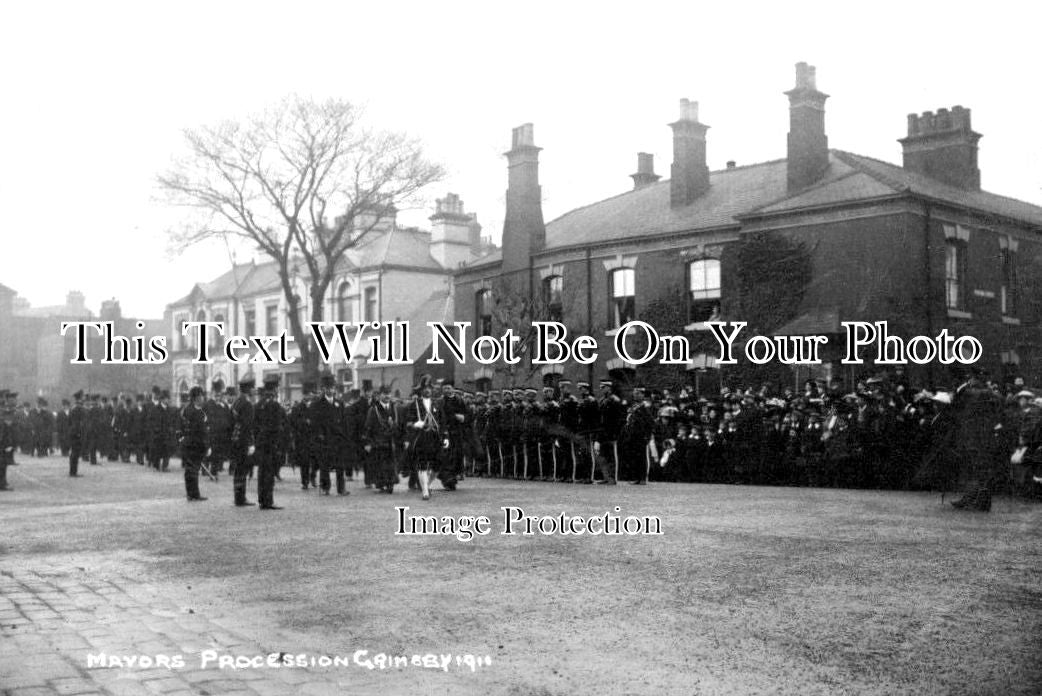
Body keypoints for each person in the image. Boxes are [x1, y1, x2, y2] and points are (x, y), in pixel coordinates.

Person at [403, 375, 445, 500]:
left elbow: (442, 422)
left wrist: (446, 436)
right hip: (421, 437)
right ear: (420, 390)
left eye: (429, 388)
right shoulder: (414, 404)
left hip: (435, 437)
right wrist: (416, 423)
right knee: (422, 464)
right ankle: (425, 492)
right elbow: (408, 422)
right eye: (425, 388)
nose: (427, 390)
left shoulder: (437, 404)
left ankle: (426, 485)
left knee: (438, 465)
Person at [254, 375, 285, 509]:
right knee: (269, 473)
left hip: (261, 443)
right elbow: (277, 427)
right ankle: (268, 501)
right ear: (275, 389)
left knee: (262, 471)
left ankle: (262, 499)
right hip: (271, 443)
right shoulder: (275, 405)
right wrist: (278, 443)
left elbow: (254, 425)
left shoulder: (259, 404)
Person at [364, 385, 400, 493]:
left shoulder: (394, 408)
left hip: (391, 441)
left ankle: (390, 483)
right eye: (384, 394)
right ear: (379, 395)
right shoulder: (374, 409)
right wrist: (368, 442)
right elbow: (368, 427)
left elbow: (399, 425)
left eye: (389, 393)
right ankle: (382, 484)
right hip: (378, 441)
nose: (387, 396)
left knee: (391, 464)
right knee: (380, 464)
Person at [179, 386, 209, 501]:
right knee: (192, 470)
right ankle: (193, 494)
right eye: (201, 396)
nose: (203, 398)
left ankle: (192, 493)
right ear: (196, 398)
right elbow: (197, 430)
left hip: (194, 445)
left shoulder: (195, 411)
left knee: (192, 470)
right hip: (193, 445)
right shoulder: (192, 411)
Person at [230, 376, 256, 506]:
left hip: (235, 440)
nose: (254, 390)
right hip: (243, 441)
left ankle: (238, 496)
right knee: (243, 470)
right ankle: (241, 497)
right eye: (252, 388)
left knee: (238, 470)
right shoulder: (247, 404)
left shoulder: (236, 402)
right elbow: (248, 425)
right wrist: (251, 443)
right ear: (248, 389)